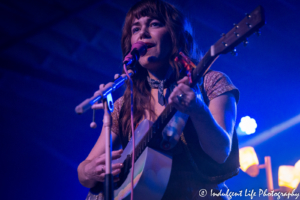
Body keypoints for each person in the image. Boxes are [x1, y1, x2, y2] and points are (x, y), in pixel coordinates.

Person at [77, 0, 240, 199]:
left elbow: (221, 153)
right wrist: (88, 172)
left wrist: (198, 109)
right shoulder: (123, 105)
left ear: (176, 35)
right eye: (135, 28)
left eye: (154, 24)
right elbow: (84, 171)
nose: (142, 33)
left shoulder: (210, 83)